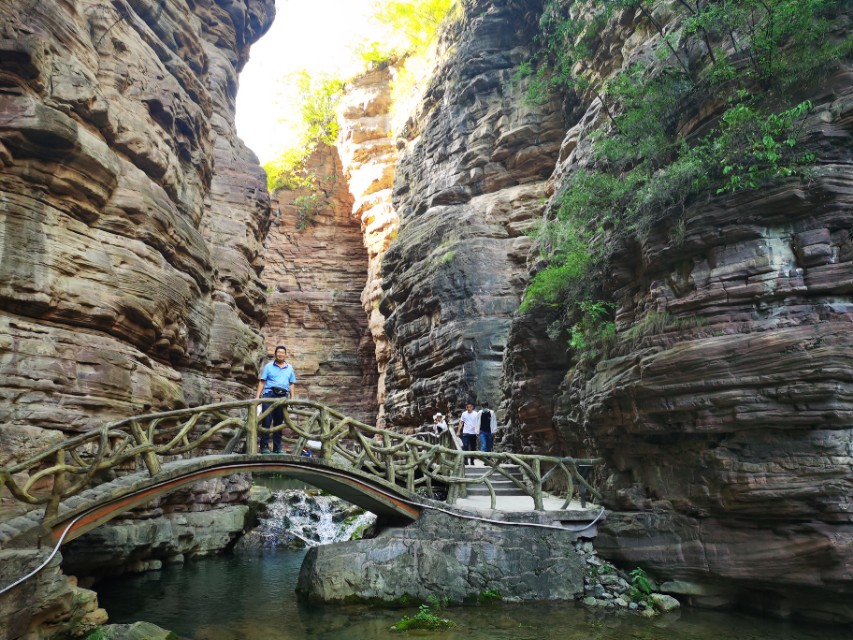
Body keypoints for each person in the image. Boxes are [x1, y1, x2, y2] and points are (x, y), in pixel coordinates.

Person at [255, 345, 297, 453]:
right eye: (278, 352)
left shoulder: (290, 368)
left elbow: (291, 383)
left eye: (282, 352)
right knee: (266, 420)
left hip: (283, 396)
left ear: (285, 354)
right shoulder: (268, 366)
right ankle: (264, 447)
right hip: (269, 394)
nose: (280, 354)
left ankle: (277, 448)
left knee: (279, 422)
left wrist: (292, 398)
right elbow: (262, 381)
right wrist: (257, 396)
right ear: (275, 354)